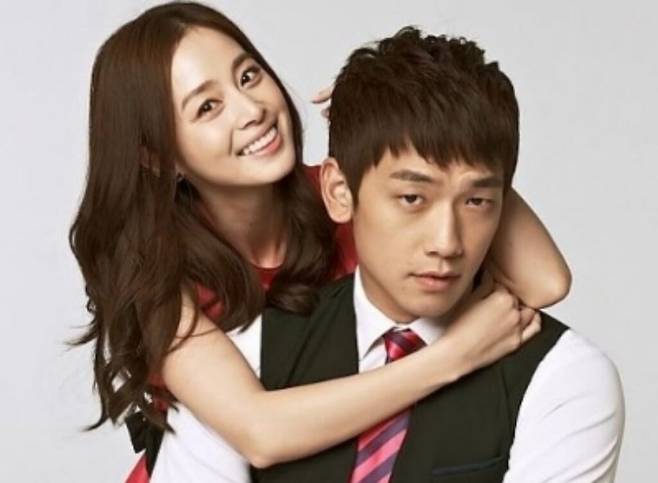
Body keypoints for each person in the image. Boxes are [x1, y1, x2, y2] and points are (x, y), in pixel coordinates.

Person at [69, 2, 571, 482]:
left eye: (248, 76)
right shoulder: (154, 273)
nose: (251, 110)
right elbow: (259, 432)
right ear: (159, 157)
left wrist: (418, 135)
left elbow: (545, 282)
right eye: (208, 107)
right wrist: (451, 357)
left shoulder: (343, 197)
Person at [246, 28, 624, 482]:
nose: (446, 242)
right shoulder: (254, 351)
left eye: (476, 201)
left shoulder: (563, 375)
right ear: (339, 191)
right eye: (412, 198)